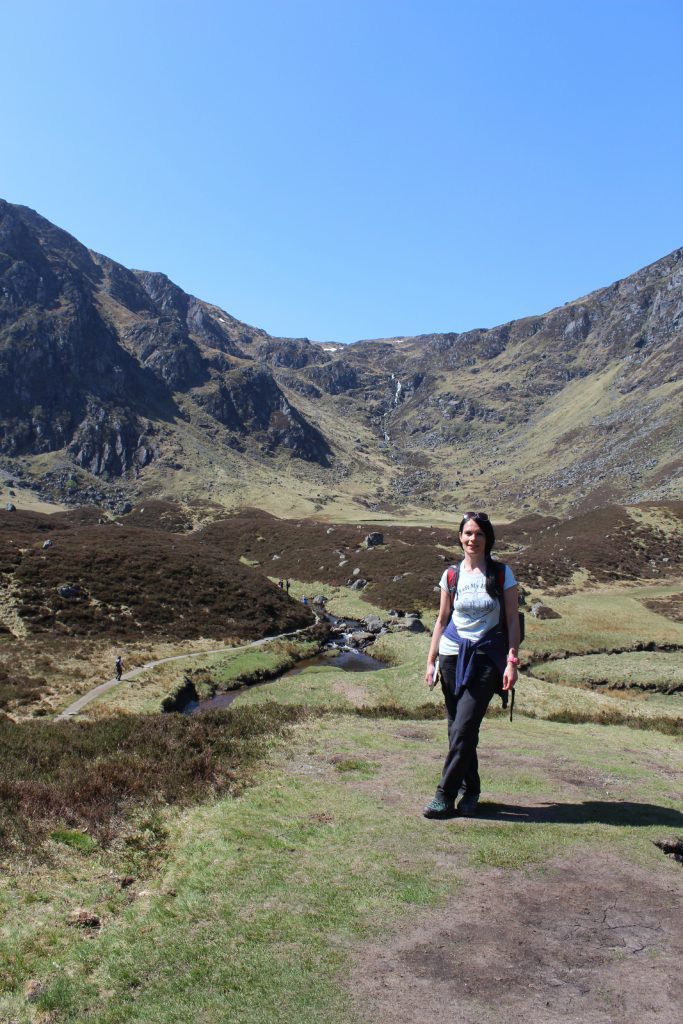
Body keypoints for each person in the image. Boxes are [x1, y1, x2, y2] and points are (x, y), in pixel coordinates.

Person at [423, 511, 520, 818]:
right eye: (467, 533)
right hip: (451, 655)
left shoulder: (502, 574)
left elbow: (512, 623)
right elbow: (441, 620)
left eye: (478, 534)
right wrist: (431, 660)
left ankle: (444, 795)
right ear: (460, 537)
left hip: (486, 658)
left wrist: (512, 661)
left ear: (488, 538)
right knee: (458, 730)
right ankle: (472, 789)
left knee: (464, 726)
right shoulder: (451, 575)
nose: (472, 539)